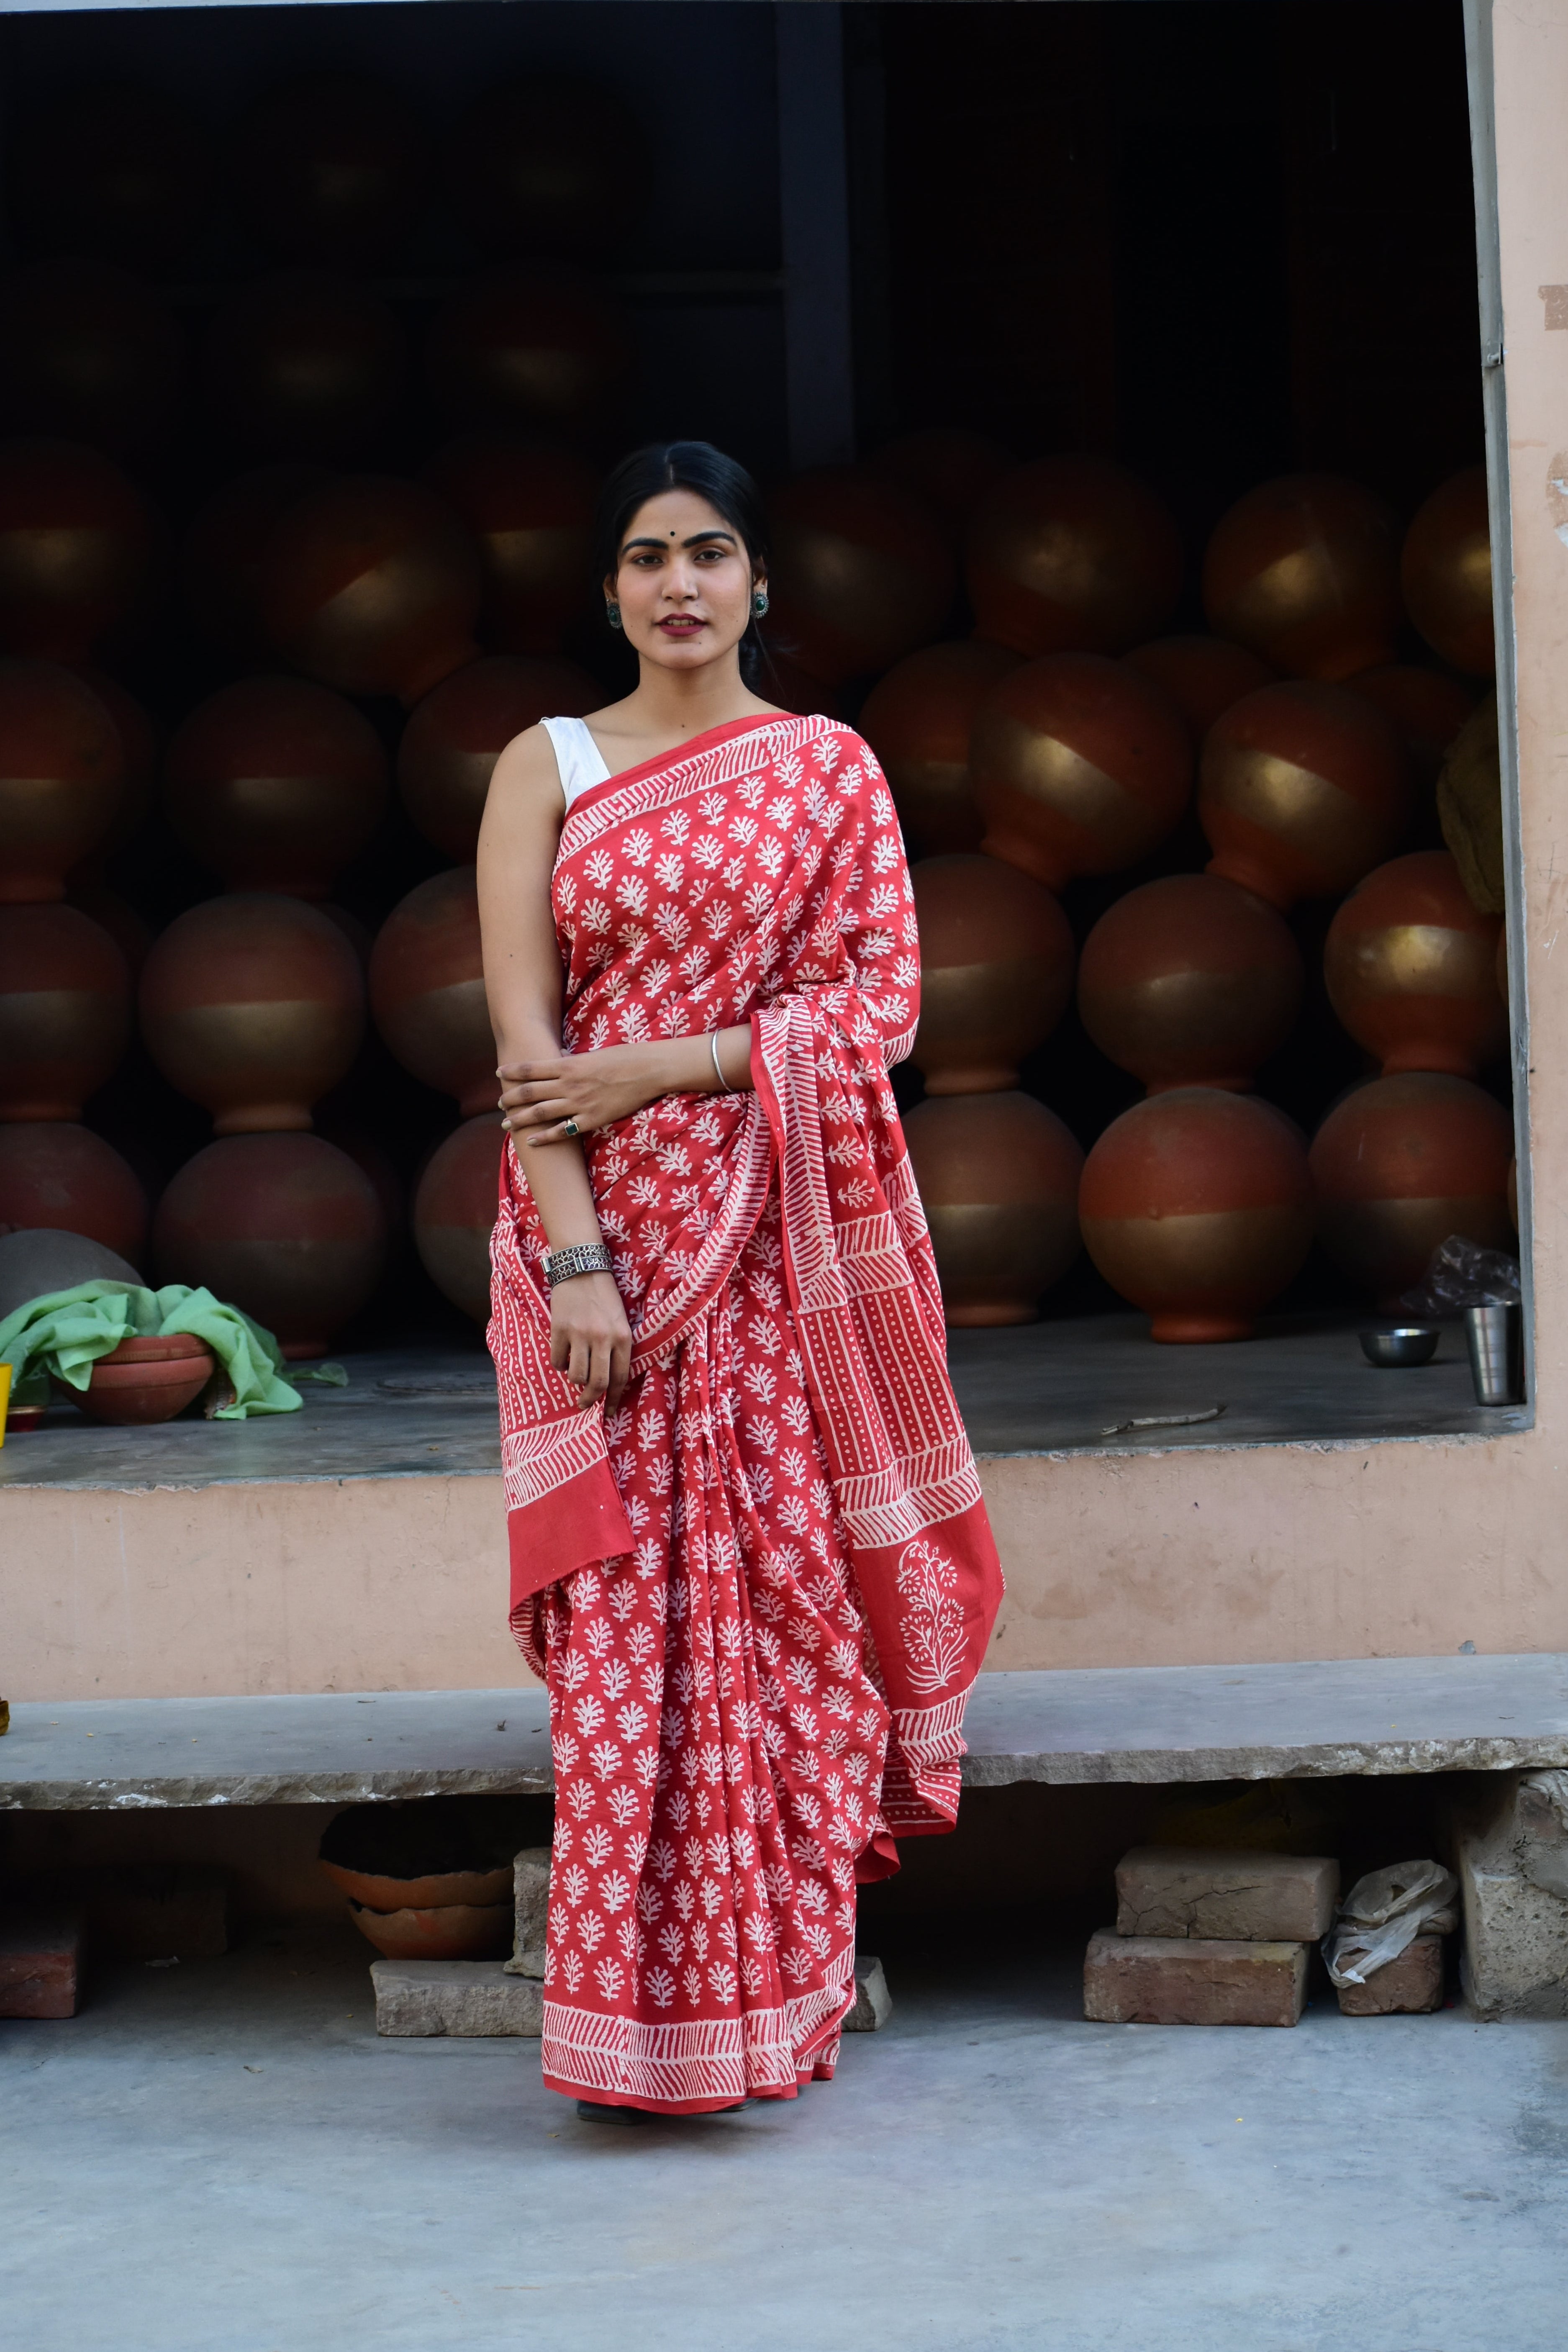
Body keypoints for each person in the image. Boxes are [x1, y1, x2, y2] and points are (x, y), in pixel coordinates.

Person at [477, 439, 1002, 2121]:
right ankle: (628, 2031)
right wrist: (575, 1260)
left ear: (759, 581)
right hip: (602, 1258)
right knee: (633, 1630)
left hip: (779, 1246)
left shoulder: (827, 768)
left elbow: (877, 1013)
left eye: (708, 551)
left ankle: (777, 1997)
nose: (678, 583)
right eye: (645, 556)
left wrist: (668, 1069)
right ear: (610, 589)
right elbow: (527, 1052)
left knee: (779, 1611)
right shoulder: (545, 765)